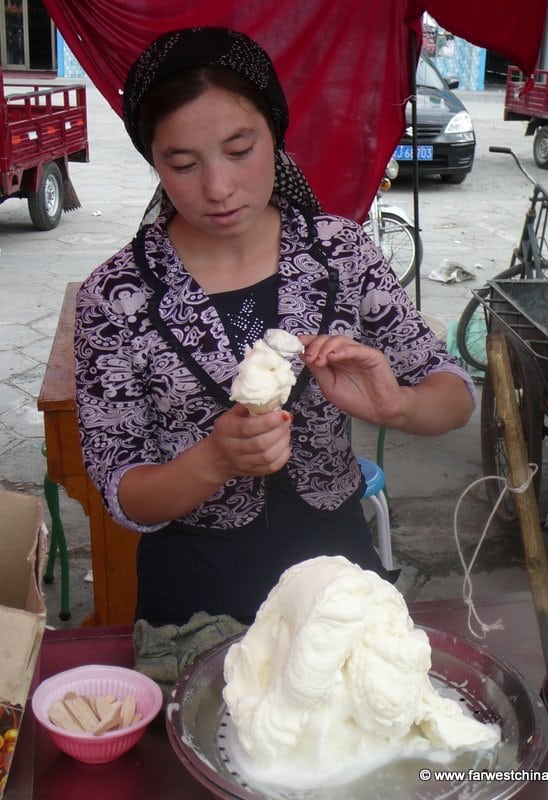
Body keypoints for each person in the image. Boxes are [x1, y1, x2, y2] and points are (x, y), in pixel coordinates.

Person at [74, 26, 475, 627]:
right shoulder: (116, 297)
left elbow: (455, 396)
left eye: (241, 150)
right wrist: (212, 461)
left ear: (276, 133)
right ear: (154, 160)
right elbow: (120, 487)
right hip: (195, 597)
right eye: (181, 163)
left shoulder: (341, 254)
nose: (218, 187)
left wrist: (396, 405)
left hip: (335, 581)